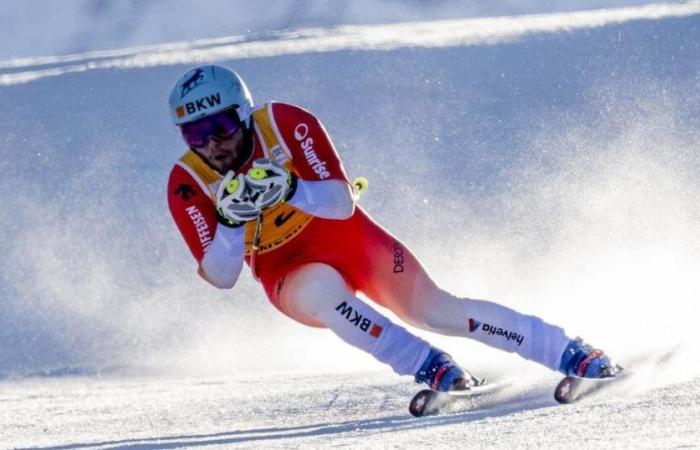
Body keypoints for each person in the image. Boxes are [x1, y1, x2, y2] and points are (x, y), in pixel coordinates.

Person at [166, 64, 620, 392]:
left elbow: (341, 204)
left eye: (221, 127)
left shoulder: (284, 123)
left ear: (244, 115)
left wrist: (289, 188)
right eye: (194, 134)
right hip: (285, 270)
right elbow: (221, 276)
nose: (211, 145)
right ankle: (426, 364)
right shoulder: (187, 182)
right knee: (322, 289)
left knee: (435, 310)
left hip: (345, 237)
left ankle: (563, 349)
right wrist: (229, 222)